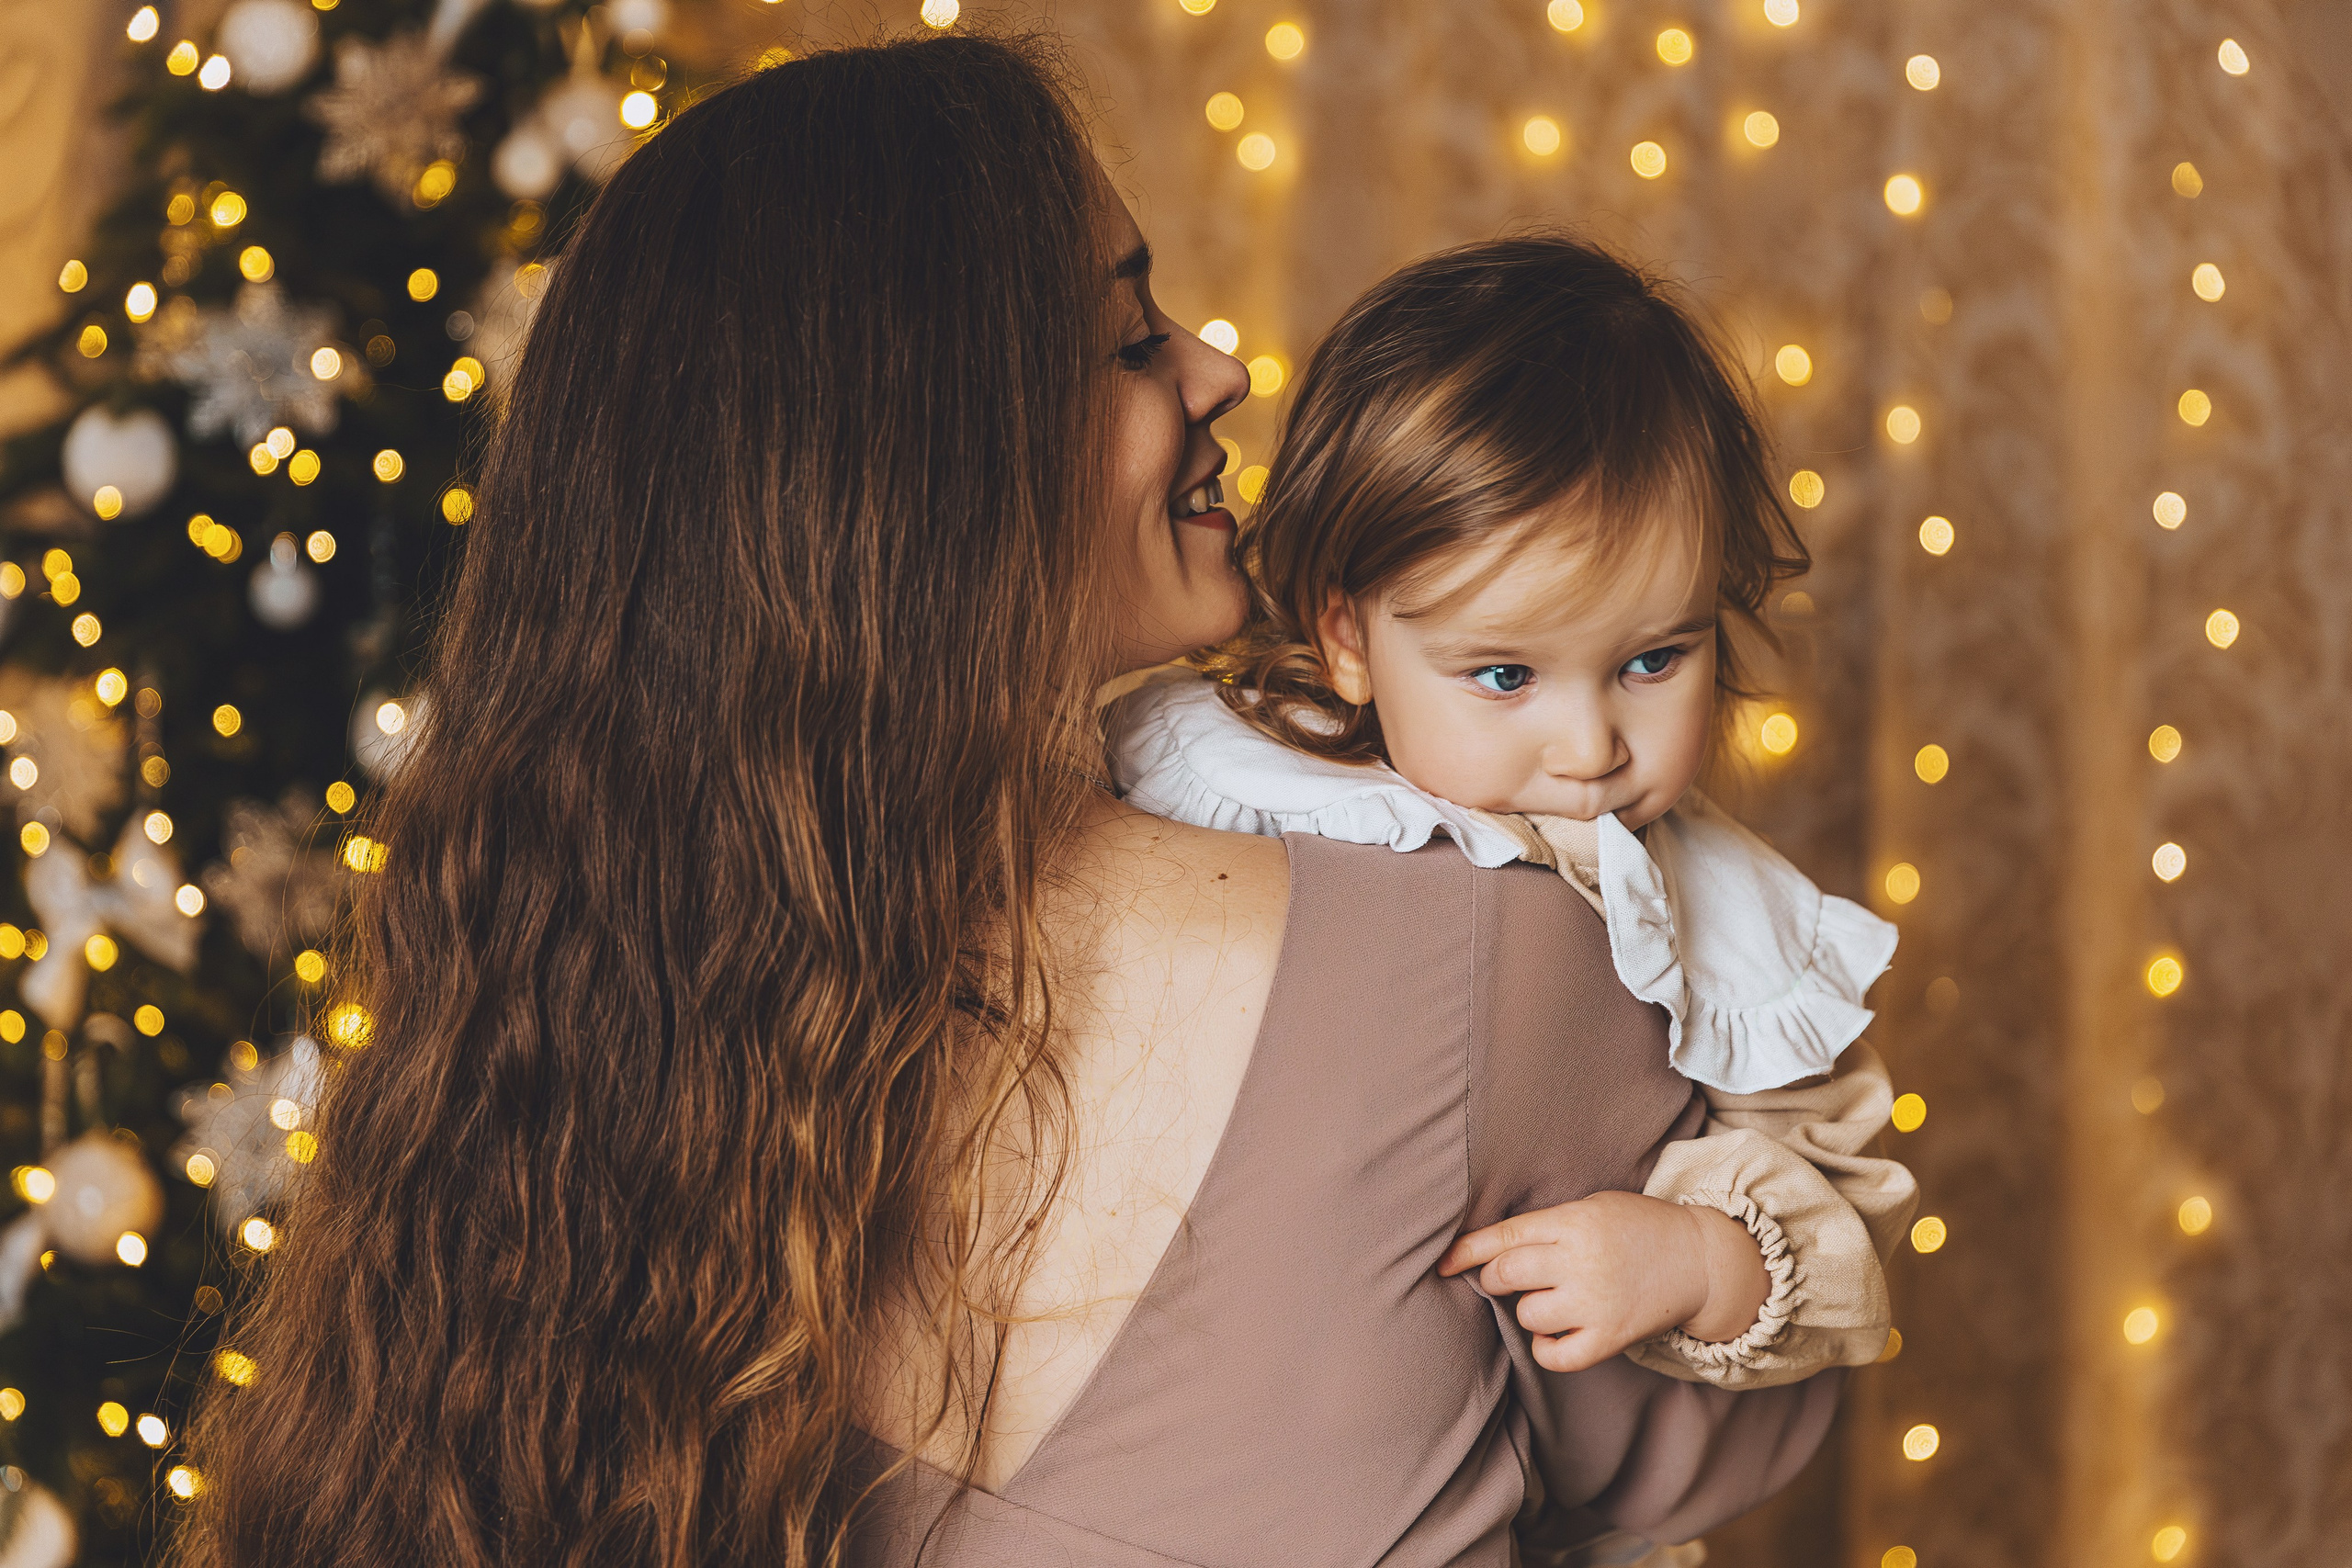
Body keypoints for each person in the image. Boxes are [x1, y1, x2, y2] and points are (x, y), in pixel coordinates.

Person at [173, 34, 1843, 1568]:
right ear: (933, 471)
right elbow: (1714, 1430)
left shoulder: (574, 1061)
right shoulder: (1488, 952)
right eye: (1131, 337)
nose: (1217, 367)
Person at [1111, 235, 1919, 1390]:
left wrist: (1696, 1257)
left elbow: (1848, 1219)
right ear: (1347, 639)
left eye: (1653, 660)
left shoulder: (1733, 919)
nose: (1590, 749)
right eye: (1503, 676)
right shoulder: (1224, 767)